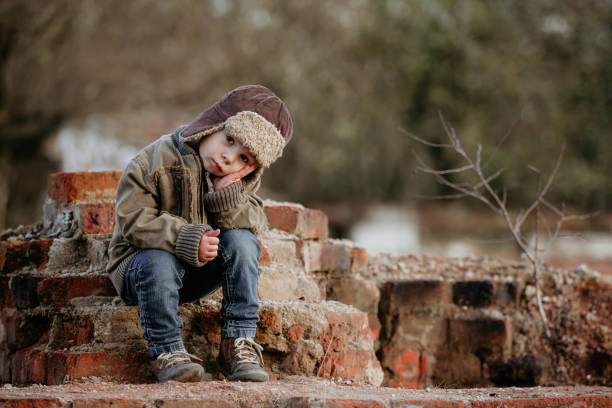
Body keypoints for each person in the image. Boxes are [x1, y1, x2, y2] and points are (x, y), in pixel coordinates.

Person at [105, 85, 293, 383]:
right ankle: (167, 351)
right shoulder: (153, 160)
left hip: (195, 275)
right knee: (158, 261)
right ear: (213, 124)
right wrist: (185, 238)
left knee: (243, 242)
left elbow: (257, 220)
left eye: (244, 158)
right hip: (141, 271)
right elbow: (132, 219)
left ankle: (237, 344)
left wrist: (227, 197)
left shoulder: (235, 179)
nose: (229, 158)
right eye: (229, 140)